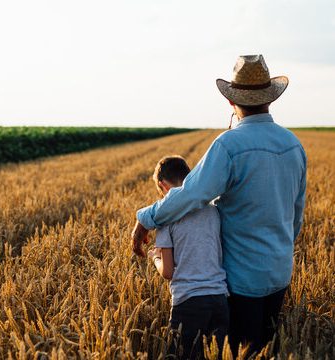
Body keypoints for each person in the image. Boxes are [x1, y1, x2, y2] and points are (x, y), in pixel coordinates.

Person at [131, 55, 307, 355]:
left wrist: (147, 218)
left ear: (231, 102)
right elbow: (296, 218)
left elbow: (190, 195)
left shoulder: (229, 145)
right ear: (269, 99)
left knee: (236, 352)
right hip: (279, 274)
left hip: (240, 282)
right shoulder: (294, 145)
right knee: (265, 350)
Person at [147, 155, 229, 359]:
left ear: (162, 185)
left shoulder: (166, 218)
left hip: (188, 302)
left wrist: (154, 258)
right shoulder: (212, 210)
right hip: (220, 298)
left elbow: (167, 272)